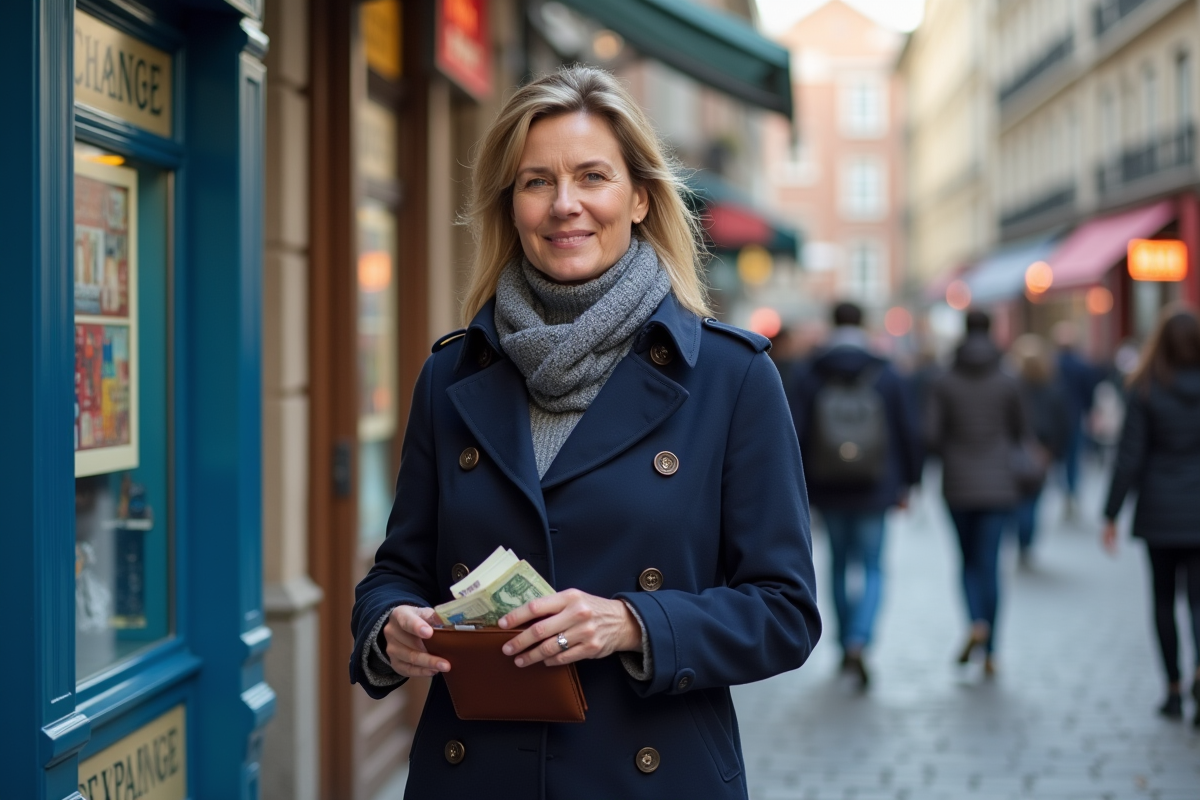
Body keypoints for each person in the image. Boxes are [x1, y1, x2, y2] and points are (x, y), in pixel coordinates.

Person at [348, 66, 821, 798]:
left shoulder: (731, 378)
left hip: (648, 775)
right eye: (536, 182)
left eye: (591, 176)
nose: (564, 205)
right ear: (510, 206)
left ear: (638, 197)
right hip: (476, 774)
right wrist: (390, 626)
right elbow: (398, 570)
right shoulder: (452, 376)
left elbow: (785, 611)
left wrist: (634, 621)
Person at [790, 301, 921, 689]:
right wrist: (910, 482)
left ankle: (843, 641)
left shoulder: (811, 372)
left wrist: (800, 488)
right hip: (877, 484)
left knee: (838, 565)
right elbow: (907, 430)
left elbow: (794, 434)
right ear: (863, 324)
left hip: (828, 485)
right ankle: (861, 639)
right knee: (875, 566)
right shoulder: (886, 371)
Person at [1102, 307, 1200, 726]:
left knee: (1163, 601)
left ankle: (1174, 690)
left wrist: (1110, 514)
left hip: (1160, 510)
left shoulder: (1145, 389)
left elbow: (1129, 458)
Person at [926, 310, 1029, 675]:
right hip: (999, 483)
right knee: (991, 563)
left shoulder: (945, 380)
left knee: (967, 563)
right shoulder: (1007, 379)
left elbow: (932, 436)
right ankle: (992, 649)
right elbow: (1020, 431)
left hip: (958, 484)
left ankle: (975, 623)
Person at [1009, 334, 1070, 566]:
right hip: (1042, 451)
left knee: (1018, 500)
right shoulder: (1054, 388)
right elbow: (1063, 424)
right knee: (1033, 501)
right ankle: (1026, 541)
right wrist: (1054, 452)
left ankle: (1021, 539)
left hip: (1020, 450)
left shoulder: (1013, 386)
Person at [1052, 321, 1104, 519]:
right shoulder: (1082, 365)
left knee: (1060, 458)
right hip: (1074, 417)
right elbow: (1089, 394)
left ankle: (1066, 491)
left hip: (1056, 420)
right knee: (1073, 458)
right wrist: (1090, 412)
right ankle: (1071, 492)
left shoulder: (1051, 364)